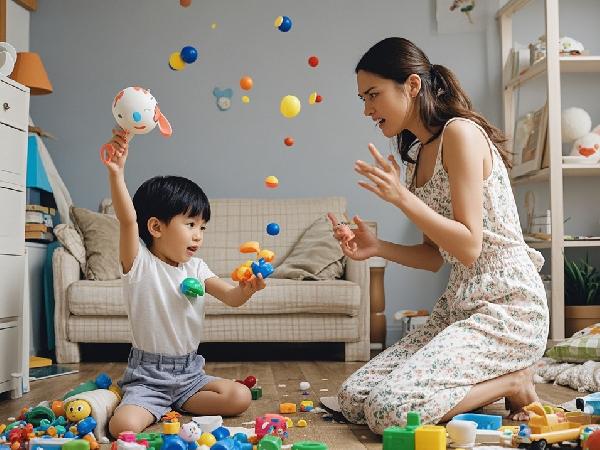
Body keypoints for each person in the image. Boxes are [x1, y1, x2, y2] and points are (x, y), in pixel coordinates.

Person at [331, 37, 548, 434]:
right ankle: (494, 385)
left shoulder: (460, 134)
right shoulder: (417, 158)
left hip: (506, 307)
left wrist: (400, 199)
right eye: (363, 98)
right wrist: (378, 247)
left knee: (390, 413)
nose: (367, 109)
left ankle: (515, 380)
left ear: (411, 85)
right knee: (354, 397)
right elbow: (436, 257)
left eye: (373, 95)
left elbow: (469, 245)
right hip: (459, 305)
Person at [103, 128, 266, 438]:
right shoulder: (139, 263)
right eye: (190, 224)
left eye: (202, 227)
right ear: (155, 227)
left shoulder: (197, 267)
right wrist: (117, 173)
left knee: (240, 396)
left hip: (190, 375)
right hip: (147, 378)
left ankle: (170, 408)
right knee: (122, 427)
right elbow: (127, 220)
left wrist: (246, 289)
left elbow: (231, 298)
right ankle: (153, 405)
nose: (197, 234)